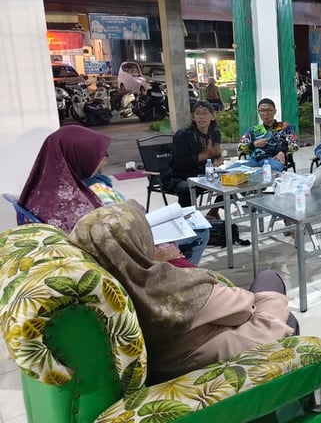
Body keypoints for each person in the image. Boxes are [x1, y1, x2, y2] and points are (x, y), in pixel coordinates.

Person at [70, 200, 298, 383]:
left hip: (165, 362)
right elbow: (243, 310)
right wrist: (173, 266)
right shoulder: (165, 287)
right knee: (271, 282)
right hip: (206, 358)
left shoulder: (105, 287)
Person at [18, 126, 208, 265]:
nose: (102, 159)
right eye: (94, 155)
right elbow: (111, 238)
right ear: (76, 157)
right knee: (199, 230)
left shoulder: (45, 191)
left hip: (113, 242)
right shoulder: (74, 202)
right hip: (119, 255)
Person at [166, 101, 223, 208]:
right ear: (193, 117)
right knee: (186, 189)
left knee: (233, 181)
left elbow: (216, 155)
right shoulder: (182, 135)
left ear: (212, 116)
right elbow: (179, 163)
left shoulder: (215, 133)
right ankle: (187, 218)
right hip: (181, 177)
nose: (201, 117)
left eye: (205, 113)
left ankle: (213, 212)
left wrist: (218, 159)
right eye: (198, 113)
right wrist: (206, 155)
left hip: (206, 174)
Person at [238, 98, 298, 172]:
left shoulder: (285, 127)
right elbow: (240, 147)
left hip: (273, 159)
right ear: (258, 112)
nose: (265, 113)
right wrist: (254, 144)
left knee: (271, 170)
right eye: (262, 110)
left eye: (269, 110)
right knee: (231, 169)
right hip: (254, 160)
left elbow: (294, 146)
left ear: (275, 111)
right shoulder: (254, 130)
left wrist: (282, 151)